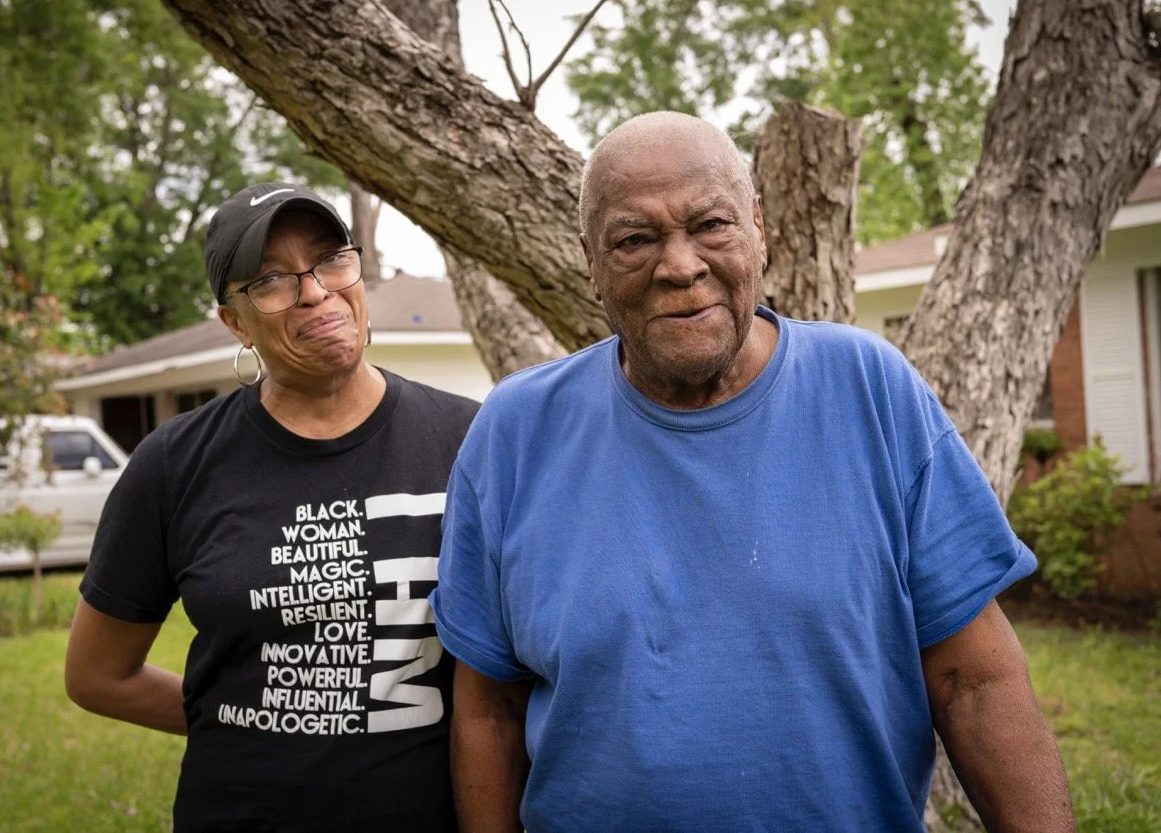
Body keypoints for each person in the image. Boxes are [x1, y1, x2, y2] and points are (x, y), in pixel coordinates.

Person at [430, 112, 1075, 832]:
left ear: (759, 229)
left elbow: (974, 682)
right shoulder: (516, 432)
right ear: (591, 262)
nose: (679, 265)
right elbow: (489, 710)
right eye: (635, 239)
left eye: (711, 224)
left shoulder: (870, 390)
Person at [65, 182, 477, 831]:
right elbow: (96, 675)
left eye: (330, 260)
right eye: (271, 281)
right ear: (235, 321)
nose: (315, 291)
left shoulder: (470, 442)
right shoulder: (174, 464)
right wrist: (242, 722)